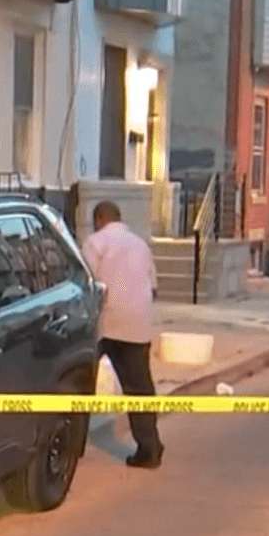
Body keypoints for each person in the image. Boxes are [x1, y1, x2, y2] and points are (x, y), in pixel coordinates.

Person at [81, 201, 164, 469]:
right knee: (140, 388)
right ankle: (150, 448)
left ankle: (73, 445)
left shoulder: (94, 243)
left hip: (104, 323)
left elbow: (85, 283)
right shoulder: (141, 245)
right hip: (137, 326)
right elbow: (153, 287)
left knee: (80, 383)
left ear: (99, 219)